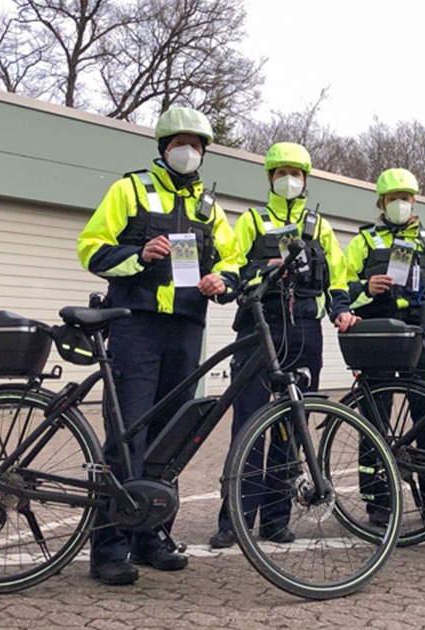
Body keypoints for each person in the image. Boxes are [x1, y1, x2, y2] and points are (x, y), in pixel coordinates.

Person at [77, 106, 242, 585]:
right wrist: (136, 255)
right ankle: (110, 548)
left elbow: (231, 259)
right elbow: (91, 246)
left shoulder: (210, 209)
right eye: (179, 143)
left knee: (172, 439)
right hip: (136, 327)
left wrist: (222, 280)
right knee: (127, 436)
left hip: (187, 328)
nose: (189, 151)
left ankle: (153, 538)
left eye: (197, 144)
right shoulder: (128, 190)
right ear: (163, 148)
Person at [207, 142, 359, 549]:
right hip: (260, 330)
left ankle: (276, 519)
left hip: (305, 332)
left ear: (306, 178)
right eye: (281, 172)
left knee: (293, 429)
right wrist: (264, 270)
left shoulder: (319, 226)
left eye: (296, 172)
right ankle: (233, 519)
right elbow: (233, 270)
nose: (289, 179)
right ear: (270, 177)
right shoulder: (252, 221)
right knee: (248, 425)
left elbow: (337, 278)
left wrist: (341, 310)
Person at [343, 167, 425, 527]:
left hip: (422, 338)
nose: (401, 204)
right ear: (382, 203)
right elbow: (340, 289)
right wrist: (367, 288)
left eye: (407, 198)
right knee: (375, 421)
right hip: (379, 336)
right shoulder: (362, 243)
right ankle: (378, 504)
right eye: (394, 198)